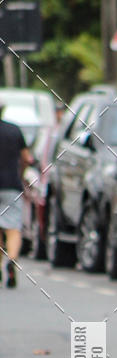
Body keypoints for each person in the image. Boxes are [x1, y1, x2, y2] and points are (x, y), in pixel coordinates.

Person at [0, 106, 33, 288]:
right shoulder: (14, 131)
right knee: (13, 227)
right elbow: (27, 158)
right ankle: (12, 259)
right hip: (11, 185)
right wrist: (21, 175)